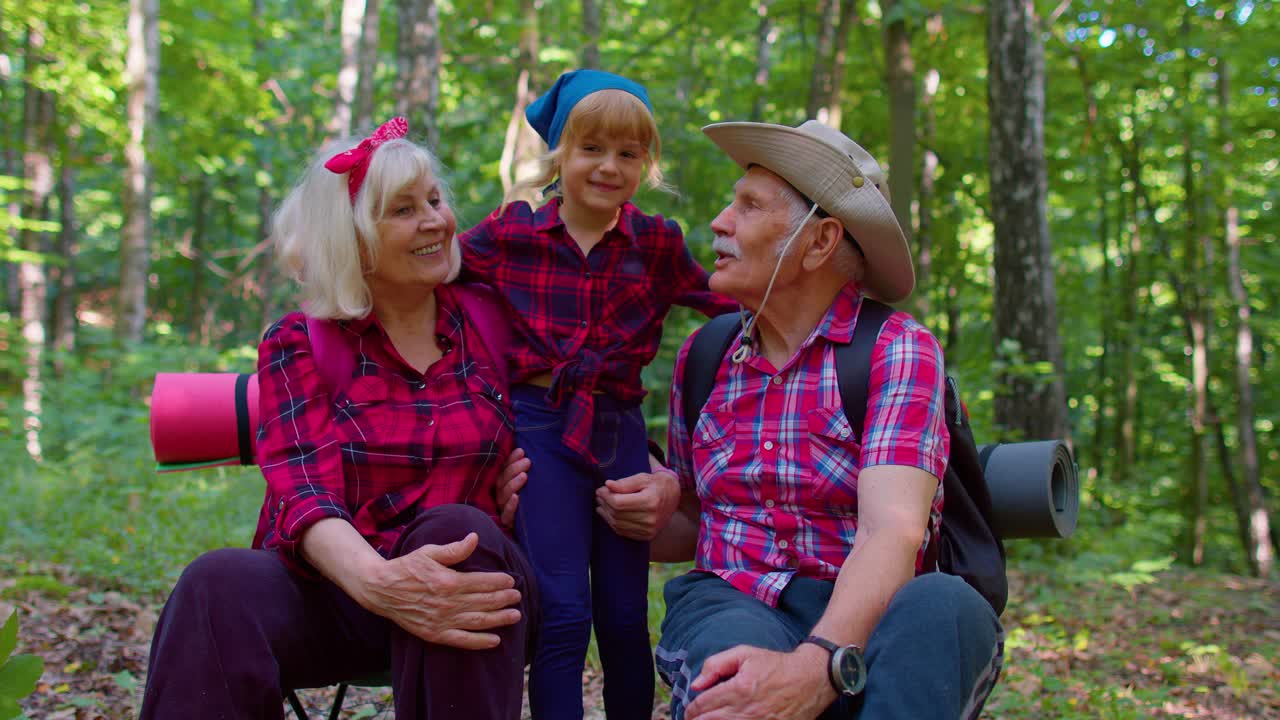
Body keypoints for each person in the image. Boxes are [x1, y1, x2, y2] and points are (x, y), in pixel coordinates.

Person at [589, 120, 1005, 720]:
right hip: (735, 598)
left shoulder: (897, 350)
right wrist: (650, 506)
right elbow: (691, 526)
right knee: (730, 665)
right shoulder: (704, 357)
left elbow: (892, 533)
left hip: (876, 612)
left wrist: (818, 666)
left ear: (818, 243)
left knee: (943, 606)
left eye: (749, 206)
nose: (719, 222)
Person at [139, 118, 539, 720]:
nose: (434, 220)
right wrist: (383, 585)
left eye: (434, 200)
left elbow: (582, 402)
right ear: (352, 240)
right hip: (340, 589)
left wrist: (629, 475)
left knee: (455, 532)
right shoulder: (300, 344)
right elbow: (303, 494)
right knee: (214, 583)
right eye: (403, 210)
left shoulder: (492, 319)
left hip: (472, 595)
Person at [457, 69, 735, 720]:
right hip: (539, 427)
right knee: (561, 611)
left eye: (628, 153)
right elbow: (428, 274)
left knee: (622, 617)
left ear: (646, 163)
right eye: (592, 149)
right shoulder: (509, 236)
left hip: (619, 430)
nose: (609, 167)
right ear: (560, 152)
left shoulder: (658, 242)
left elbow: (728, 298)